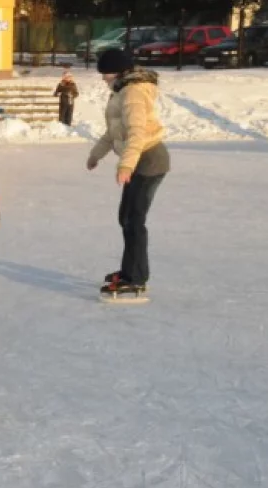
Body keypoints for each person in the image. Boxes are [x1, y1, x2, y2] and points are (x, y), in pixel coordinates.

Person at [88, 49, 170, 300]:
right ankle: (129, 271)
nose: (103, 78)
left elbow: (137, 133)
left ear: (121, 72)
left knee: (134, 220)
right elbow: (114, 131)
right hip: (138, 159)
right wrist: (96, 154)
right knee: (126, 218)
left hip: (148, 160)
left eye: (107, 73)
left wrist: (125, 165)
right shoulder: (122, 91)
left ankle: (135, 278)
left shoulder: (133, 93)